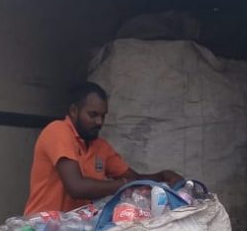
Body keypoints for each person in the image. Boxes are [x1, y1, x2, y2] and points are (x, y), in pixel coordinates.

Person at [24, 82, 182, 215]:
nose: (99, 122)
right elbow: (76, 187)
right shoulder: (57, 131)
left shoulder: (100, 146)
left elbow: (135, 178)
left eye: (103, 116)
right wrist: (124, 184)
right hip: (40, 230)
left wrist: (161, 176)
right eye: (92, 115)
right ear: (73, 111)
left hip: (73, 230)